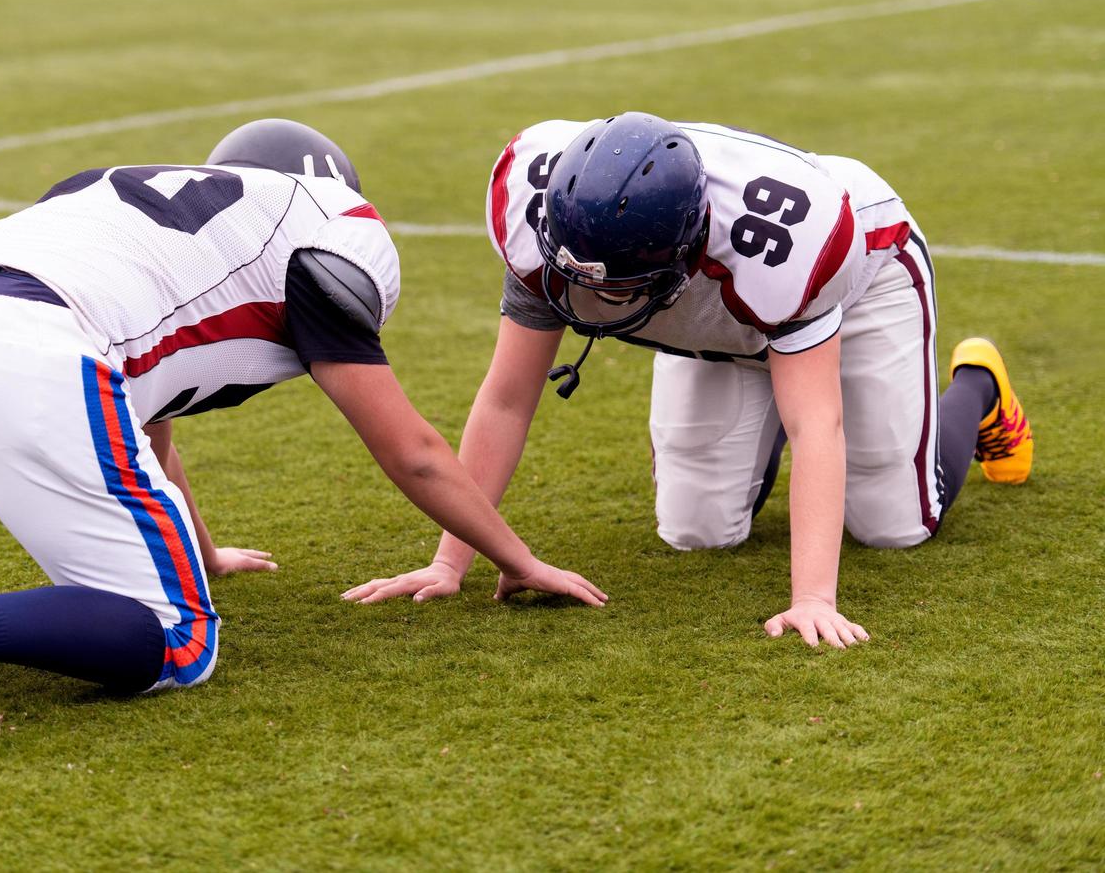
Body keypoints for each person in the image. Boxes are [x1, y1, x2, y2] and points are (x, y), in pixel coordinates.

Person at [0, 119, 605, 754]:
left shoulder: (117, 190)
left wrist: (200, 542)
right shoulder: (329, 229)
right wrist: (517, 560)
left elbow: (144, 415)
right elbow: (413, 451)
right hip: (25, 351)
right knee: (175, 639)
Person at [343, 112, 1032, 648]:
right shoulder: (540, 206)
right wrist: (449, 563)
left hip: (857, 273)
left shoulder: (791, 248)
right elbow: (506, 398)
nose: (595, 299)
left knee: (893, 524)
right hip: (718, 312)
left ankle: (977, 386)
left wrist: (813, 599)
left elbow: (817, 425)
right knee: (697, 529)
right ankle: (759, 403)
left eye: (622, 285)